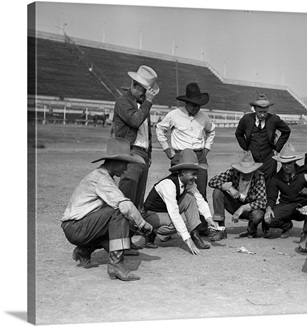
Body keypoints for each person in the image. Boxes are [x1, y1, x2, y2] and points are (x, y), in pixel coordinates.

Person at [61, 138, 154, 281]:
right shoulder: (102, 179)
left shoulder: (103, 176)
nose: (126, 168)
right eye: (125, 163)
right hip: (76, 227)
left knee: (119, 221)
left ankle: (84, 251)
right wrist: (142, 224)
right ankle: (116, 265)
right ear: (114, 162)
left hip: (78, 226)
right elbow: (124, 206)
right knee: (118, 213)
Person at [141, 149, 220, 255]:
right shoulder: (168, 184)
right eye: (193, 174)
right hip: (151, 214)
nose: (196, 177)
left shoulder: (189, 183)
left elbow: (200, 200)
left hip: (165, 212)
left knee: (190, 198)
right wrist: (188, 240)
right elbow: (174, 213)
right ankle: (150, 231)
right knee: (177, 223)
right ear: (183, 172)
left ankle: (195, 233)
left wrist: (209, 219)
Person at [156, 82, 215, 201]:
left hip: (199, 157)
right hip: (180, 157)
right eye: (193, 105)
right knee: (178, 192)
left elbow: (211, 130)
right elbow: (160, 129)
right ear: (186, 102)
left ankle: (201, 219)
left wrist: (207, 148)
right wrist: (167, 150)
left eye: (199, 105)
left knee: (201, 193)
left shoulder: (204, 117)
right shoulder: (174, 115)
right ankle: (177, 219)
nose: (196, 108)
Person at [113, 65, 159, 210]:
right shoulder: (123, 102)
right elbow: (135, 120)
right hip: (130, 152)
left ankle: (132, 230)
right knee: (127, 196)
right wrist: (148, 102)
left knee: (138, 199)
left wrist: (149, 154)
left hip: (143, 154)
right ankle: (120, 230)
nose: (145, 94)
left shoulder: (143, 105)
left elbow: (147, 133)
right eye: (144, 90)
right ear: (134, 85)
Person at [208, 151, 267, 239]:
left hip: (250, 209)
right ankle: (220, 229)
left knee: (257, 215)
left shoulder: (259, 177)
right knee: (217, 192)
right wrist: (229, 188)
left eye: (249, 171)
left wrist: (242, 208)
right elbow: (212, 181)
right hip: (235, 204)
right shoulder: (233, 172)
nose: (246, 174)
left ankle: (251, 230)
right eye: (244, 171)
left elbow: (262, 202)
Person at [264, 144, 307, 239]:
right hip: (285, 205)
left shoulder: (304, 174)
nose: (286, 167)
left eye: (289, 163)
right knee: (269, 220)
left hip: (302, 205)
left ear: (294, 162)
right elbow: (272, 196)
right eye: (284, 164)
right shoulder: (276, 178)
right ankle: (286, 226)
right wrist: (268, 208)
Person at [235, 93, 291, 186]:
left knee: (269, 184)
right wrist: (245, 147)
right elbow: (238, 134)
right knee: (252, 183)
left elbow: (286, 131)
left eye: (265, 112)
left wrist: (277, 148)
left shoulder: (274, 119)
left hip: (269, 159)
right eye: (260, 112)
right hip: (252, 159)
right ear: (255, 109)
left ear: (268, 109)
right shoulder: (246, 119)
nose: (262, 115)